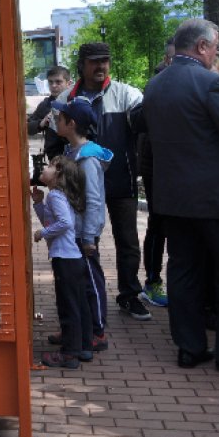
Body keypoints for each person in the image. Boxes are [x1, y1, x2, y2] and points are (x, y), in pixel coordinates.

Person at [144, 18, 219, 372]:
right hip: (217, 201)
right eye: (215, 47)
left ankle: (190, 348)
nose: (216, 53)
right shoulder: (212, 83)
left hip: (174, 200)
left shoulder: (155, 86)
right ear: (201, 46)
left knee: (183, 273)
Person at [57, 43, 150, 321]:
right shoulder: (65, 99)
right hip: (79, 185)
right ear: (82, 65)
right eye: (94, 61)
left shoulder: (128, 94)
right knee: (84, 240)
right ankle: (88, 297)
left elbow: (144, 126)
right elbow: (53, 144)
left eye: (105, 61)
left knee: (128, 241)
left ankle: (129, 295)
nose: (101, 66)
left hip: (121, 180)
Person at [52, 99, 113, 353]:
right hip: (75, 230)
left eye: (60, 117)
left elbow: (94, 200)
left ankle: (97, 331)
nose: (56, 120)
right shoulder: (73, 152)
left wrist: (88, 236)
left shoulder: (87, 158)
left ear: (72, 123)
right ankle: (78, 330)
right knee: (77, 282)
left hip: (83, 233)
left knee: (90, 282)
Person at [31, 157, 93, 369]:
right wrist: (38, 203)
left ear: (58, 174)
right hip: (72, 259)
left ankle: (69, 353)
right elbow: (52, 221)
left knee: (68, 307)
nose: (44, 167)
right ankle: (83, 345)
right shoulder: (56, 196)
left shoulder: (56, 195)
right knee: (79, 304)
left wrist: (42, 233)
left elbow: (64, 223)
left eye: (49, 166)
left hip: (65, 260)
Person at [135, 39, 176, 309]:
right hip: (159, 169)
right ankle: (152, 281)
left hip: (181, 169)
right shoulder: (157, 86)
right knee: (159, 224)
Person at [27, 66, 73, 161]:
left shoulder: (77, 103)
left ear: (68, 83)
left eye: (58, 82)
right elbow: (27, 128)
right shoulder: (45, 104)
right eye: (50, 82)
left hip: (75, 156)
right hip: (53, 158)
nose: (53, 86)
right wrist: (41, 123)